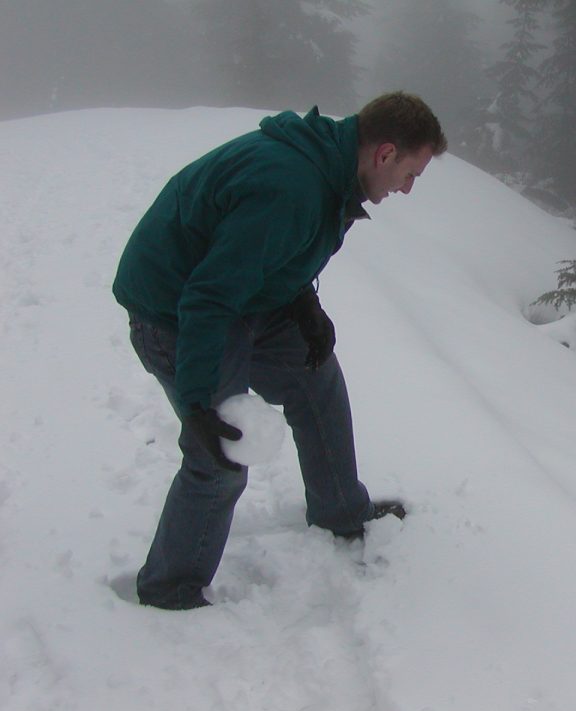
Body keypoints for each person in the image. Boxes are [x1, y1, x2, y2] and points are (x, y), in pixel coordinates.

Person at [112, 92, 447, 610]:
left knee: (318, 381)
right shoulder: (291, 186)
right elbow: (209, 293)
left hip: (241, 299)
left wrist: (302, 307)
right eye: (411, 174)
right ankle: (169, 589)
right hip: (178, 314)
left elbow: (271, 254)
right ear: (384, 153)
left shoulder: (330, 172)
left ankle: (340, 510)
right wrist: (199, 400)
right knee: (222, 452)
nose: (407, 188)